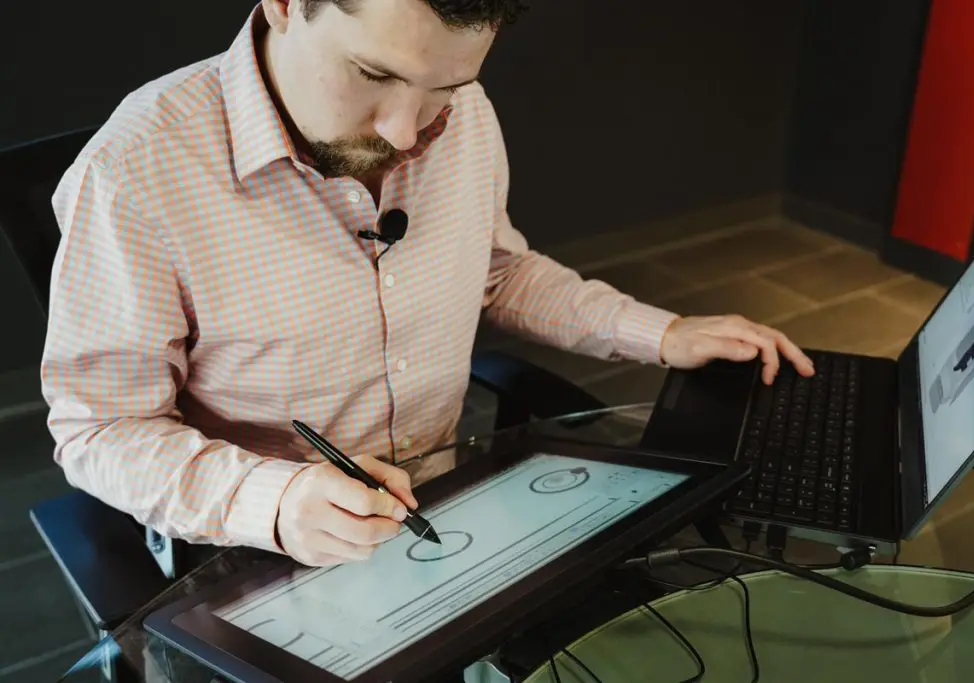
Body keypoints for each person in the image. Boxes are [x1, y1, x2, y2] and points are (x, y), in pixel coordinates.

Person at [41, 0, 814, 569]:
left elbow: (498, 271)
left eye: (444, 87)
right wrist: (273, 502)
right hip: (254, 546)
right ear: (283, 6)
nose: (406, 132)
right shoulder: (135, 172)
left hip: (447, 503)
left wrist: (662, 333)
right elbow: (99, 430)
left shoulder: (463, 114)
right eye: (374, 73)